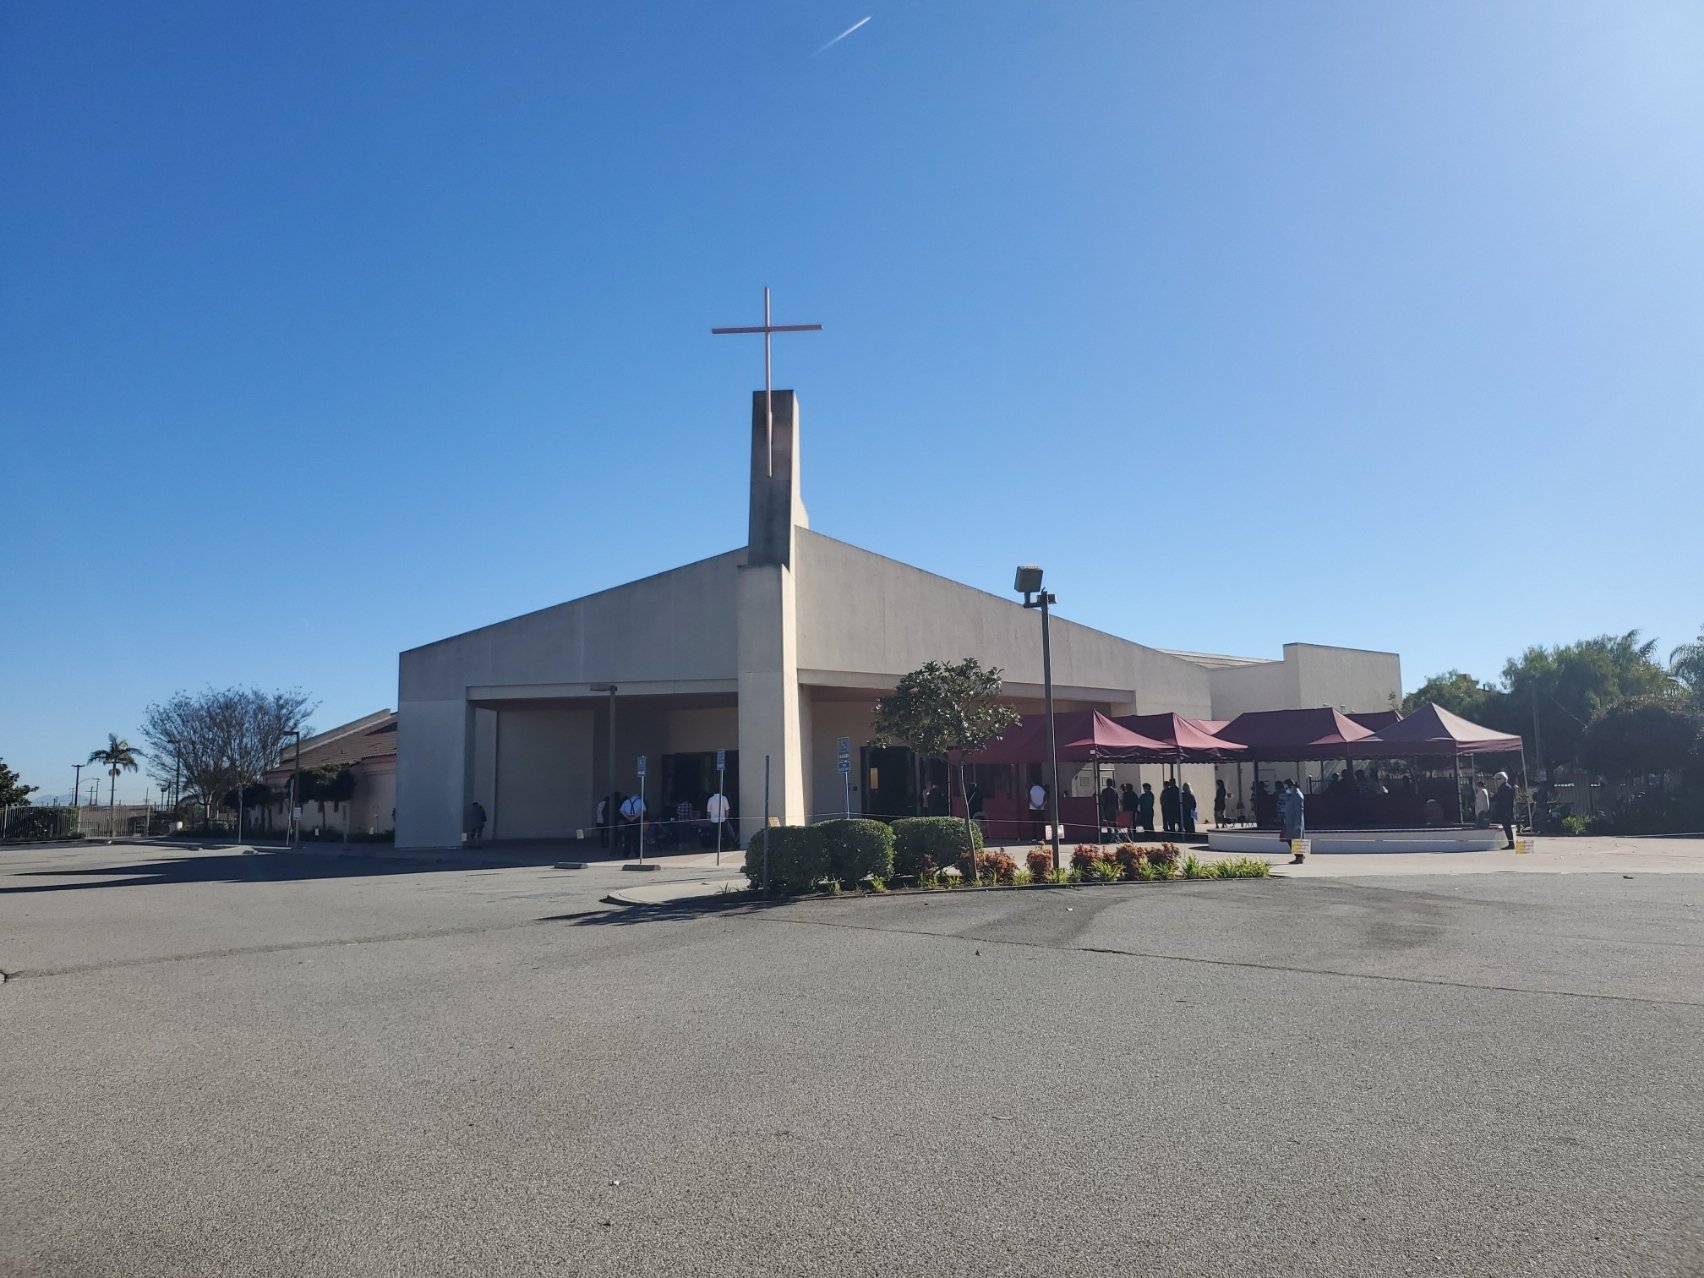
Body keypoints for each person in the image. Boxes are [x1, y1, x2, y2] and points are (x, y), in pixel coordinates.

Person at [1280, 779, 1306, 864]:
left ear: (1291, 786)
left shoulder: (1297, 795)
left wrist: (1298, 823)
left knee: (1294, 840)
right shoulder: (1291, 794)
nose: (1286, 789)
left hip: (1295, 822)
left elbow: (1299, 810)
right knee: (1289, 838)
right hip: (1289, 821)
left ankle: (1299, 857)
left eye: (1286, 787)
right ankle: (1299, 856)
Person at [1491, 771, 1517, 850]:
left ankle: (1511, 844)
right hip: (1505, 811)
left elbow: (1502, 799)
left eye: (1498, 779)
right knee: (1507, 828)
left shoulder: (1505, 788)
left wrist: (1494, 797)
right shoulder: (1505, 787)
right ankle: (1510, 843)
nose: (1497, 781)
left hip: (1505, 811)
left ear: (1503, 779)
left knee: (1507, 828)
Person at [619, 790, 646, 856]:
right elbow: (643, 810)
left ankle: (626, 853)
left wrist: (627, 817)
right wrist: (634, 817)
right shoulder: (640, 801)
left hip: (627, 820)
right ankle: (637, 853)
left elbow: (621, 810)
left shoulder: (626, 801)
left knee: (627, 837)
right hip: (637, 820)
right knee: (637, 837)